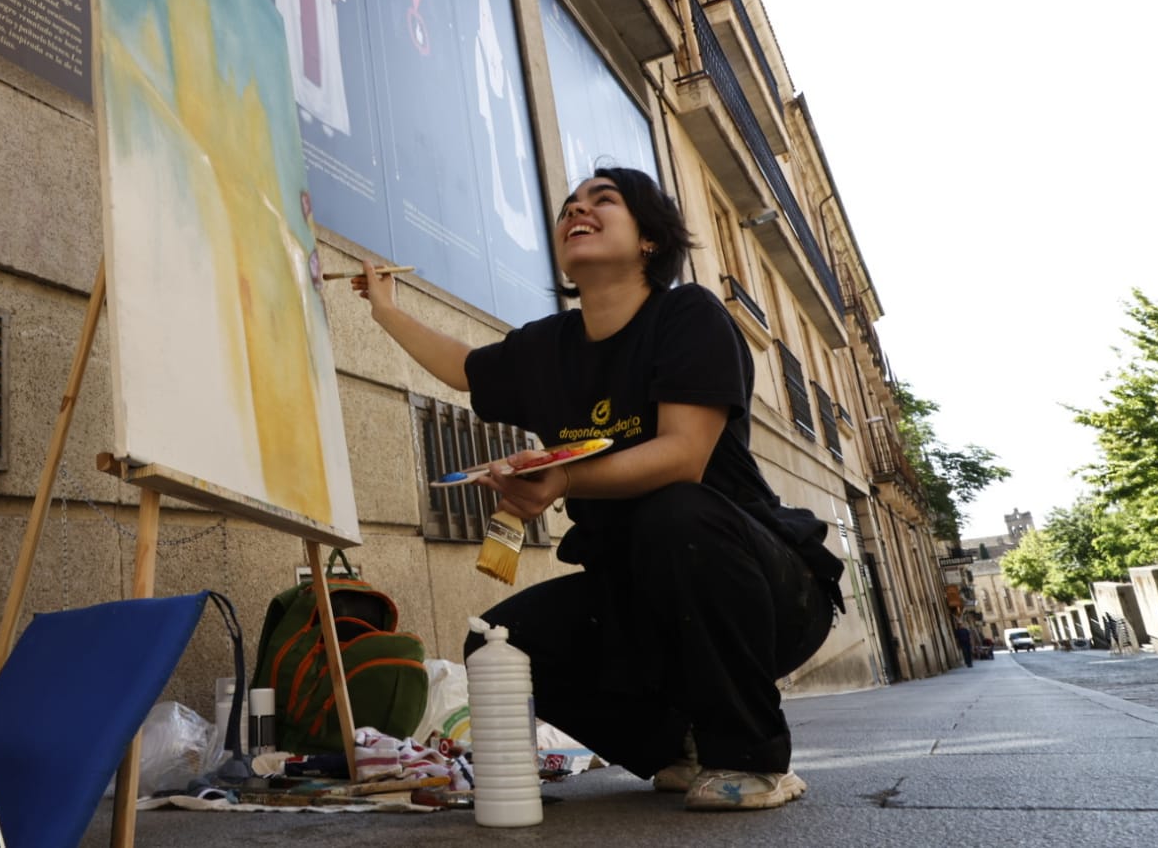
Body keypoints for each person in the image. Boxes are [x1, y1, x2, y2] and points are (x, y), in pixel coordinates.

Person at [353, 166, 841, 812]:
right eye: (567, 206)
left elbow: (682, 456)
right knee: (498, 646)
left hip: (763, 593)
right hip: (641, 599)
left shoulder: (687, 314)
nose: (576, 210)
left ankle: (753, 758)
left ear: (647, 240)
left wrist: (561, 478)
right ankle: (677, 745)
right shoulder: (549, 348)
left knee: (673, 513)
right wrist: (383, 308)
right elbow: (465, 370)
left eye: (602, 200)